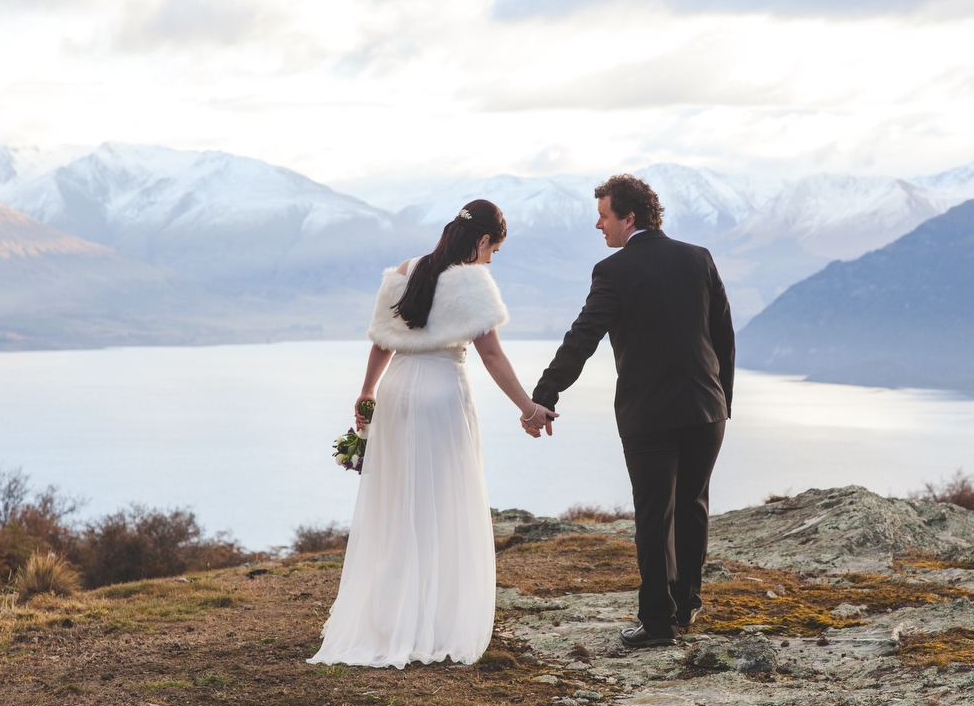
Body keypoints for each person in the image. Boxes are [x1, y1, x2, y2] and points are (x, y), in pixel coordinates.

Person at [308, 199, 556, 669]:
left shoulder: (407, 269)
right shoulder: (472, 280)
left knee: (398, 505)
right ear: (482, 240)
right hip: (442, 393)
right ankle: (435, 622)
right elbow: (492, 356)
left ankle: (387, 618)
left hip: (398, 391)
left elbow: (382, 338)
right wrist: (529, 408)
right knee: (441, 504)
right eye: (494, 251)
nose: (490, 260)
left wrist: (366, 393)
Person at [526, 174, 734, 648]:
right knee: (693, 506)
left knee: (654, 516)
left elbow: (583, 338)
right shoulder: (698, 257)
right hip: (707, 411)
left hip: (650, 417)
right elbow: (723, 336)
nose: (599, 226)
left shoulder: (613, 271)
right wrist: (722, 400)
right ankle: (686, 608)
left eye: (604, 216)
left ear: (629, 218)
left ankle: (658, 623)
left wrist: (545, 396)